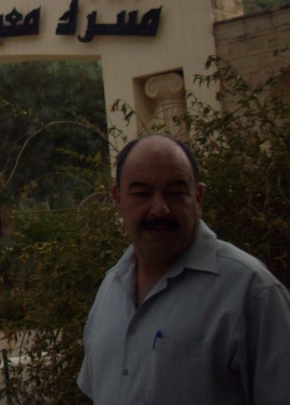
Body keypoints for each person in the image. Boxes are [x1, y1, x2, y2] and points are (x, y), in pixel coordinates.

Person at [77, 134, 290, 405]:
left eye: (176, 193)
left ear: (198, 198)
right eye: (142, 193)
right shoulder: (110, 290)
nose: (160, 208)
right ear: (118, 200)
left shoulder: (252, 291)